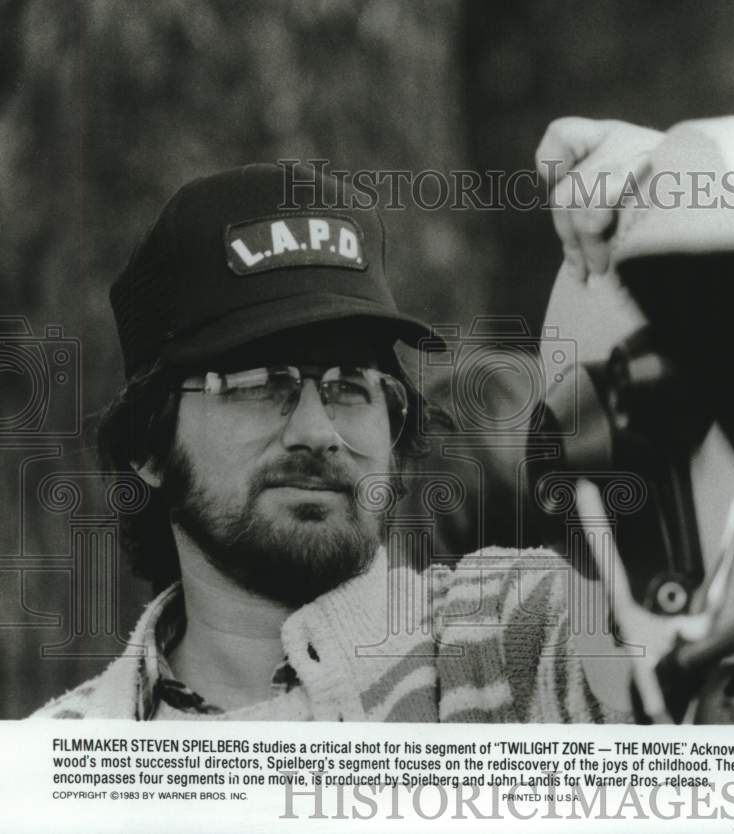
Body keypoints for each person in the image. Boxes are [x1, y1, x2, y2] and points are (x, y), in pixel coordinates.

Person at [32, 122, 668, 721]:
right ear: (149, 442)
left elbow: (724, 605)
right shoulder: (56, 761)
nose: (317, 430)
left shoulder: (509, 643)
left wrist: (690, 223)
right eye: (259, 385)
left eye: (350, 386)